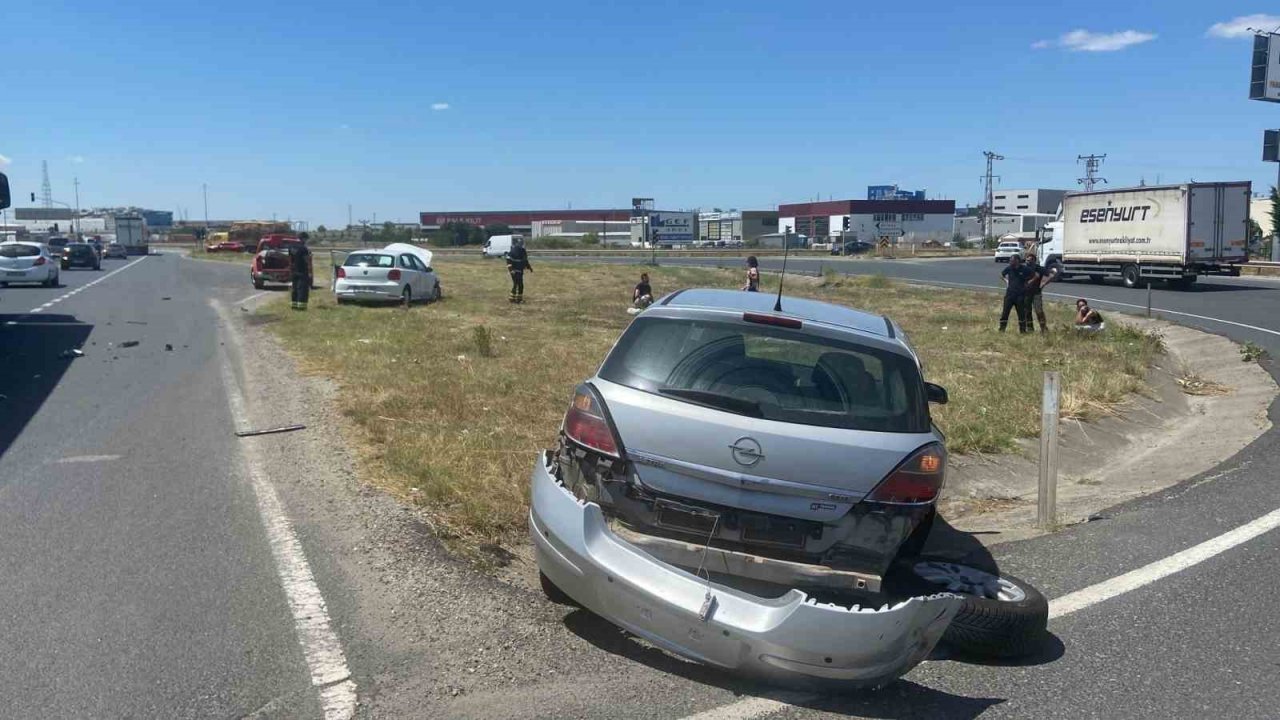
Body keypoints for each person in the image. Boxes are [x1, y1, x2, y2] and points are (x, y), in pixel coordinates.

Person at [999, 253, 1032, 333]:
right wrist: (1006, 281)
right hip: (1009, 295)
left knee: (1021, 314)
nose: (1010, 262)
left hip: (1020, 296)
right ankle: (1002, 329)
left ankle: (1023, 331)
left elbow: (1034, 275)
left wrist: (1029, 282)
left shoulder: (1025, 269)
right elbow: (1001, 274)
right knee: (1005, 313)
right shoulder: (1009, 268)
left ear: (1017, 261)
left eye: (1012, 260)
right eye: (1010, 261)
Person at [1022, 251, 1052, 334]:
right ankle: (1030, 328)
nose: (1028, 262)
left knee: (1039, 310)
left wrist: (1043, 283)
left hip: (1036, 293)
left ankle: (1043, 328)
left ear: (1034, 261)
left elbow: (1051, 274)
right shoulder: (1023, 269)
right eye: (1027, 260)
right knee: (1026, 311)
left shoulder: (1039, 268)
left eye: (1030, 260)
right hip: (1026, 293)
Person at [289, 233, 313, 311]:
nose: (306, 241)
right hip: (303, 272)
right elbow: (307, 261)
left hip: (294, 271)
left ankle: (294, 305)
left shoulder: (291, 247)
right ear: (303, 238)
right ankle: (301, 307)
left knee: (294, 289)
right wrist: (310, 272)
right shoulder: (303, 248)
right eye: (306, 239)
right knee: (302, 290)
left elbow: (290, 260)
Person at [505, 236, 532, 303]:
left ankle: (514, 299)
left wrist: (529, 267)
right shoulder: (514, 251)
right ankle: (517, 299)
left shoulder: (521, 251)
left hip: (518, 271)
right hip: (515, 271)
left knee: (518, 284)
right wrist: (511, 270)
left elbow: (525, 261)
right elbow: (509, 261)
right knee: (518, 284)